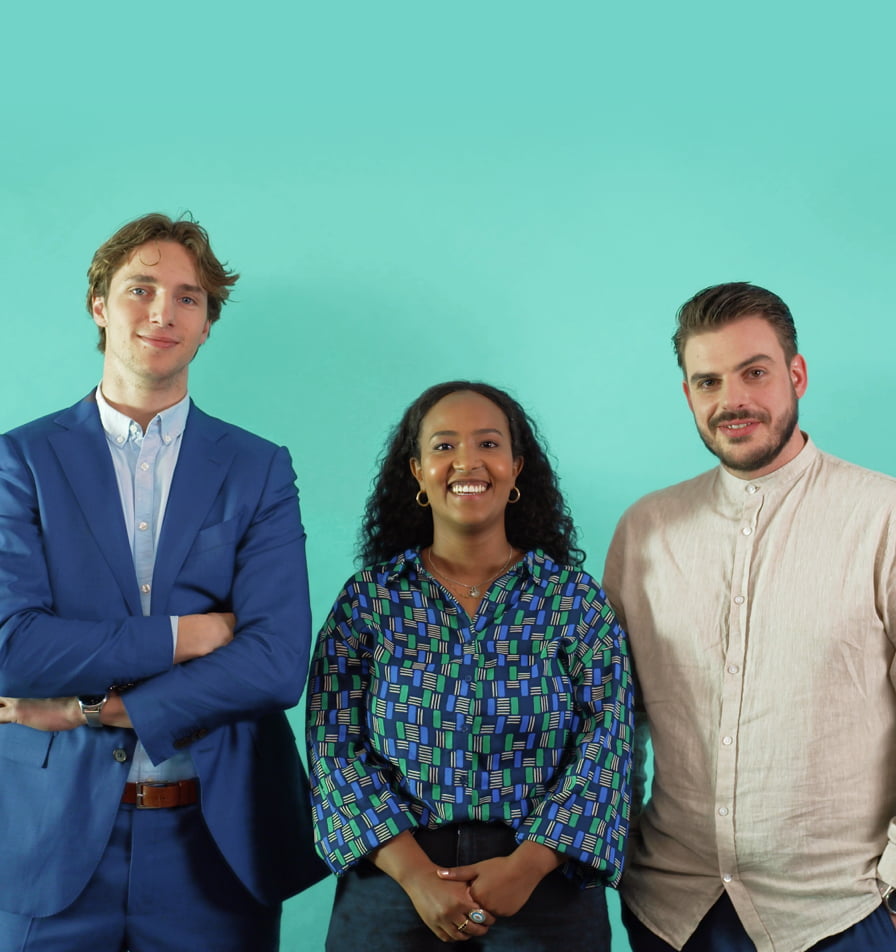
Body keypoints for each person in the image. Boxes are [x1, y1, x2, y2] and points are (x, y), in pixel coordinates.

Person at [0, 213, 325, 952]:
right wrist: (188, 635)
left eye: (187, 297)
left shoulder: (257, 467)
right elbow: (14, 648)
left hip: (214, 845)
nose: (162, 312)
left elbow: (276, 665)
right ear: (98, 305)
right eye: (140, 289)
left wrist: (99, 709)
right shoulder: (19, 462)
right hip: (47, 844)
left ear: (208, 323)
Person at [602, 282, 896, 952]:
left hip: (842, 914)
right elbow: (615, 719)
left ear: (796, 375)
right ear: (688, 395)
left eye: (754, 373)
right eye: (708, 381)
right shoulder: (646, 529)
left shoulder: (883, 518)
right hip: (672, 913)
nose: (731, 400)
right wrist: (610, 857)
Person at [306, 380, 634, 951]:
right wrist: (414, 874)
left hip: (544, 886)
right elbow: (333, 743)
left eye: (488, 443)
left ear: (516, 468)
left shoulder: (573, 601)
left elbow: (610, 741)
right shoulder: (370, 599)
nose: (467, 462)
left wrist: (528, 865)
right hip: (394, 884)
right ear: (416, 471)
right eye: (443, 446)